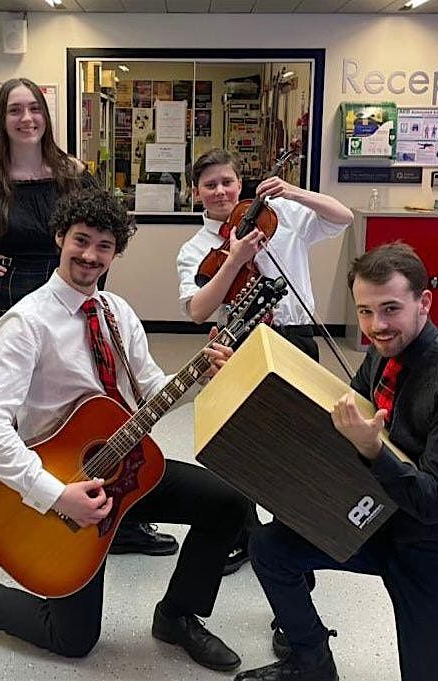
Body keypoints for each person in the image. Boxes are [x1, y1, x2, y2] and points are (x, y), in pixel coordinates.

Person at [0, 188, 251, 673]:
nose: (90, 256)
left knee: (229, 504)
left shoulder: (117, 312)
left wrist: (201, 376)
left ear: (116, 253)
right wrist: (56, 494)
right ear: (60, 238)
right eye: (82, 240)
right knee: (72, 639)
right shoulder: (27, 322)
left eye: (104, 246)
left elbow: (152, 389)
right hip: (60, 484)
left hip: (121, 468)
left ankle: (177, 615)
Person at [235, 242, 438, 681]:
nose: (376, 326)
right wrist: (249, 382)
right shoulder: (383, 351)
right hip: (383, 522)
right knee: (270, 547)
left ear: (423, 301)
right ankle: (310, 663)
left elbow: (434, 503)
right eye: (365, 312)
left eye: (390, 309)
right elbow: (339, 416)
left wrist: (372, 451)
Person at [0, 77, 172, 556]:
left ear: (46, 117)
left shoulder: (72, 171)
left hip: (68, 292)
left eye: (34, 108)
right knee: (10, 420)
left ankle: (115, 516)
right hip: (6, 297)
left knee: (94, 408)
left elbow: (99, 232)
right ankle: (25, 522)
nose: (26, 118)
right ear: (2, 119)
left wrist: (97, 298)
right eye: (15, 110)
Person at [176, 147, 354, 574]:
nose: (220, 191)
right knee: (244, 446)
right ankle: (244, 534)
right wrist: (235, 258)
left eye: (228, 181)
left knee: (300, 441)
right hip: (239, 344)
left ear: (242, 184)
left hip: (294, 336)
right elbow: (199, 311)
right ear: (196, 192)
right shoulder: (196, 247)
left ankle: (292, 533)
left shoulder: (282, 215)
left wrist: (293, 190)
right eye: (210, 184)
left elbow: (342, 216)